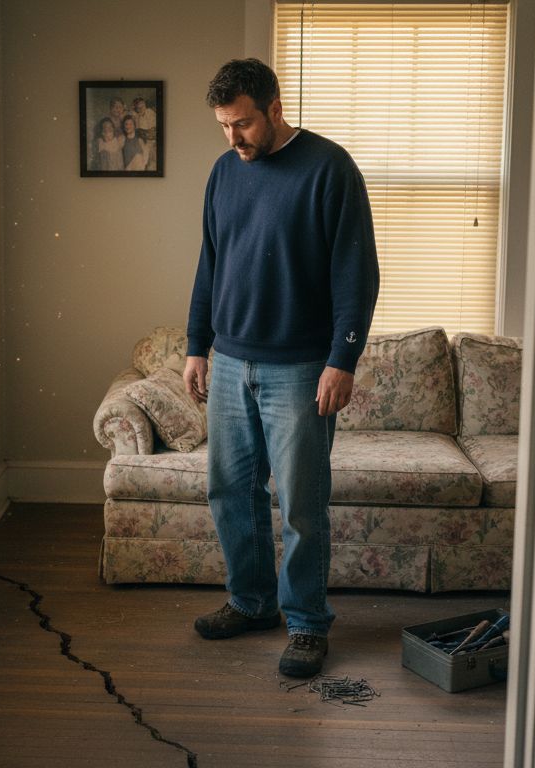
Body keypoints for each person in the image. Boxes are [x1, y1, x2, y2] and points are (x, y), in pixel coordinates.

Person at [183, 58, 378, 678]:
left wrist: (340, 360)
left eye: (241, 124)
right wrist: (196, 345)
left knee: (298, 504)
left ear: (275, 109)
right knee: (229, 493)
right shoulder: (222, 172)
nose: (232, 138)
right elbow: (210, 263)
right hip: (232, 359)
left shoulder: (329, 168)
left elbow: (358, 275)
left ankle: (306, 625)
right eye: (222, 126)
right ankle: (251, 601)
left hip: (298, 369)